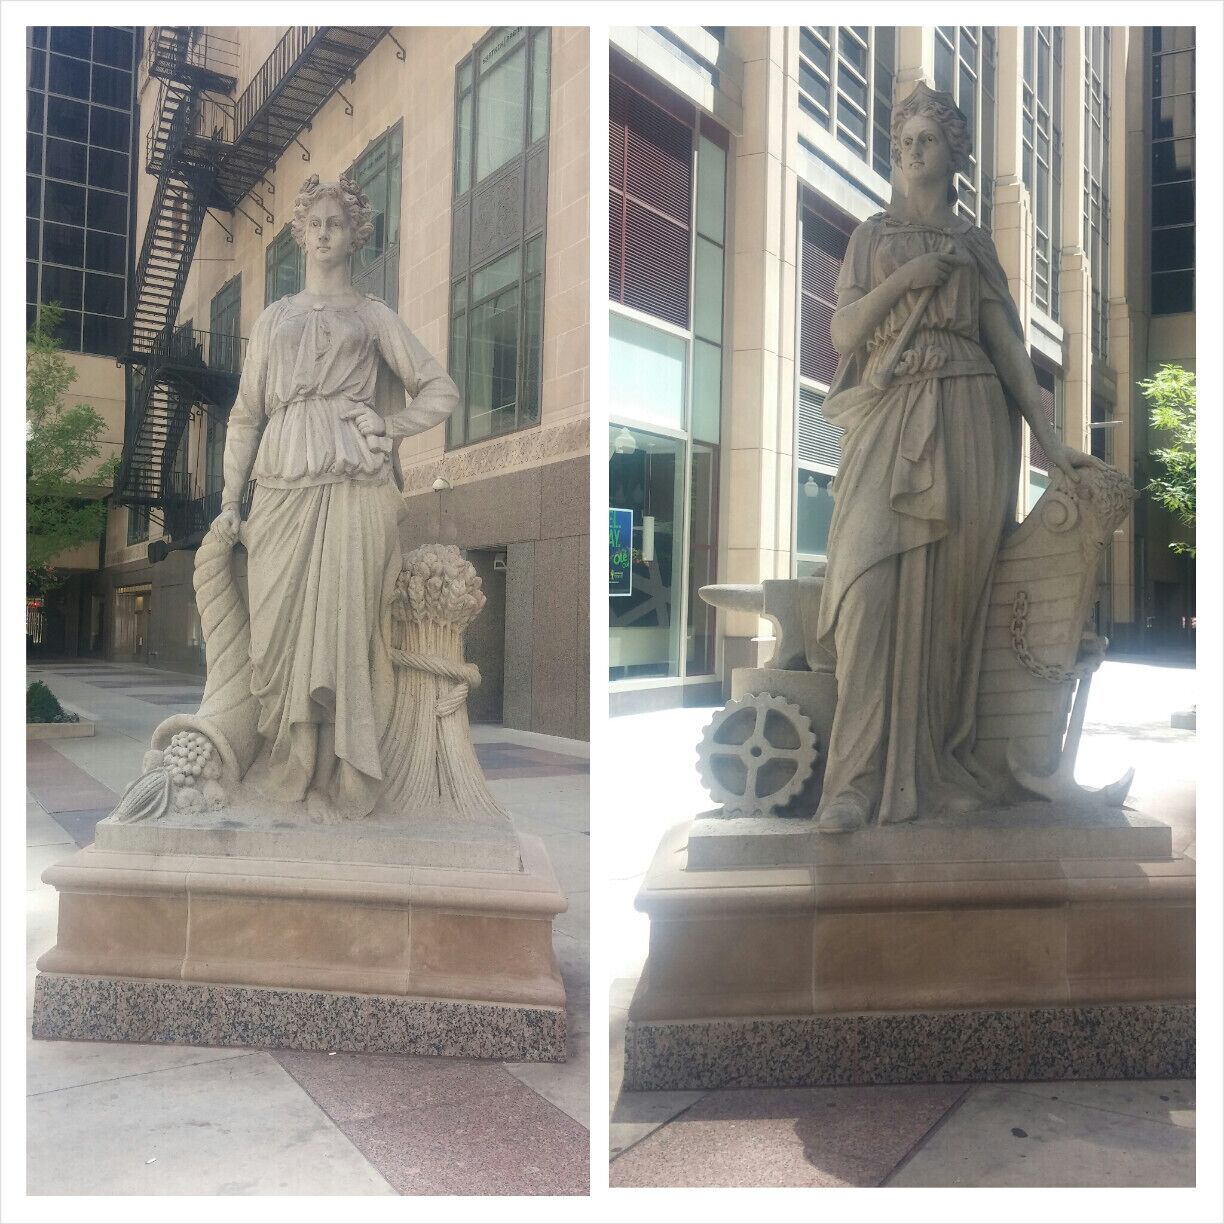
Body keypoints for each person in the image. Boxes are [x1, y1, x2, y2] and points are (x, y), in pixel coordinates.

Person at [814, 84, 1099, 832]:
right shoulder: (870, 239)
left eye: (926, 141)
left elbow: (1007, 342)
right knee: (867, 592)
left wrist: (1046, 433)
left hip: (972, 417)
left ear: (953, 156)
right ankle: (855, 781)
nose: (911, 151)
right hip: (890, 409)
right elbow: (843, 334)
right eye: (903, 140)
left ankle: (933, 768)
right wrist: (905, 282)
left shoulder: (974, 246)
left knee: (949, 614)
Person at [210, 175, 459, 820]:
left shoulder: (373, 316)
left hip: (354, 485)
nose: (323, 233)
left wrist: (390, 426)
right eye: (313, 223)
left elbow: (439, 389)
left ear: (355, 236)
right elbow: (245, 415)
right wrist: (230, 500)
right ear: (300, 235)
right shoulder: (274, 320)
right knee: (275, 634)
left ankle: (347, 771)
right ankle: (288, 762)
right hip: (283, 479)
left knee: (351, 629)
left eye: (335, 223)